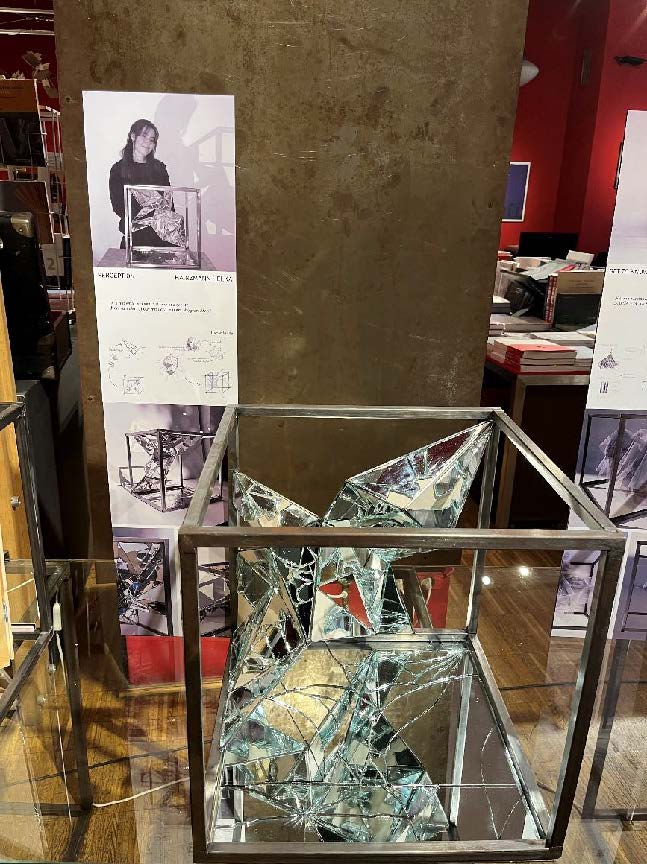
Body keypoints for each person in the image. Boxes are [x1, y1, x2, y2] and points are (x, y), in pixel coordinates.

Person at [109, 119, 171, 249]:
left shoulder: (159, 168)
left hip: (161, 238)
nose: (148, 142)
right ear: (133, 136)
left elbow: (168, 205)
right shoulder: (118, 170)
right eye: (144, 136)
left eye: (152, 139)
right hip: (134, 238)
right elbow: (119, 207)